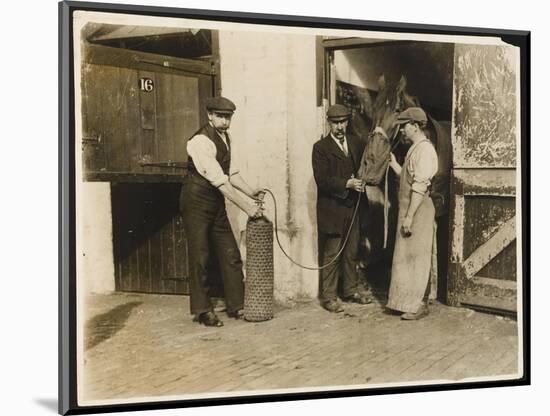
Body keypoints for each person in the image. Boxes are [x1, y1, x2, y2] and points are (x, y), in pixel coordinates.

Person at [180, 96, 264, 327]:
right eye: (221, 116)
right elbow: (220, 182)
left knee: (230, 253)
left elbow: (231, 174)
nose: (225, 121)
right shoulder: (199, 142)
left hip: (216, 201)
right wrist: (246, 206)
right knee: (201, 256)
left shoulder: (225, 138)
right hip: (196, 200)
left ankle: (237, 305)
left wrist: (251, 193)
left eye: (228, 117)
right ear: (210, 116)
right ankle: (203, 310)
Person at [312, 104, 372, 313]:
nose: (339, 127)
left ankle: (350, 290)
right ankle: (329, 296)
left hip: (353, 207)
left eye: (343, 122)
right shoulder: (320, 148)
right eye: (335, 123)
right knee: (333, 253)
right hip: (332, 209)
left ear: (347, 122)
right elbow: (322, 180)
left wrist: (363, 182)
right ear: (329, 123)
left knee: (351, 251)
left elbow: (363, 169)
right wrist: (347, 184)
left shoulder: (356, 143)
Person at [386, 107, 438, 320]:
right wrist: (395, 165)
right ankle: (405, 301)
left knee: (419, 257)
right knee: (407, 257)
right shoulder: (415, 149)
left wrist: (409, 216)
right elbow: (410, 178)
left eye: (404, 127)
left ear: (415, 126)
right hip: (410, 210)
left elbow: (420, 186)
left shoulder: (425, 150)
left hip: (418, 212)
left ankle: (420, 305)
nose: (402, 131)